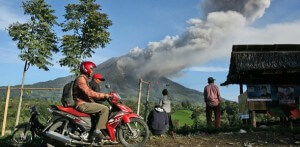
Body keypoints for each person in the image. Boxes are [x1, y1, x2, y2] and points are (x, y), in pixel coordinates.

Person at [73, 61, 111, 139]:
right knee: (105, 109)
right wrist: (104, 95)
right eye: (91, 69)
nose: (92, 71)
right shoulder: (81, 79)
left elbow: (89, 95)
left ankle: (92, 133)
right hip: (81, 104)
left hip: (83, 103)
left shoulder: (84, 79)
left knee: (100, 108)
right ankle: (97, 131)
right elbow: (89, 93)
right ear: (86, 69)